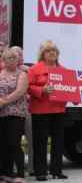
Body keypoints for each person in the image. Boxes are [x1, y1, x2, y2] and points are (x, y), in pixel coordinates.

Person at [28, 41, 69, 181]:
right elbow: (27, 87)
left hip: (59, 110)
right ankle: (40, 172)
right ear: (42, 54)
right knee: (40, 142)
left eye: (54, 50)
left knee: (59, 141)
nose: (52, 53)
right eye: (48, 50)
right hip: (40, 110)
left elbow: (70, 89)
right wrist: (42, 90)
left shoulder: (64, 70)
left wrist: (75, 94)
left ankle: (57, 171)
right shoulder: (34, 69)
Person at [0, 48, 29, 183]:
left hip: (16, 113)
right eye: (8, 58)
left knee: (14, 143)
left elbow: (20, 92)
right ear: (3, 61)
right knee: (3, 144)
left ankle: (20, 174)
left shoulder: (22, 74)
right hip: (2, 114)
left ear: (17, 60)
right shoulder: (1, 74)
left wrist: (3, 101)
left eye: (14, 58)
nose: (11, 60)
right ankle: (6, 173)